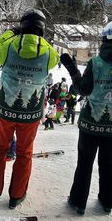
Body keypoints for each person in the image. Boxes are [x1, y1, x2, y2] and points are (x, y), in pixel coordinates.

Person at [0, 8, 60, 208]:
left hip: (6, 110)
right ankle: (16, 195)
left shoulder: (9, 46)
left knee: (0, 149)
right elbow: (53, 62)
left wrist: (9, 34)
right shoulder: (50, 53)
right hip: (32, 112)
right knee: (25, 153)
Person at [60, 21, 112, 215]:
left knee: (85, 164)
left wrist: (73, 70)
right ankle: (107, 201)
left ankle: (78, 202)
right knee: (109, 165)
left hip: (91, 124)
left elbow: (83, 89)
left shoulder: (96, 63)